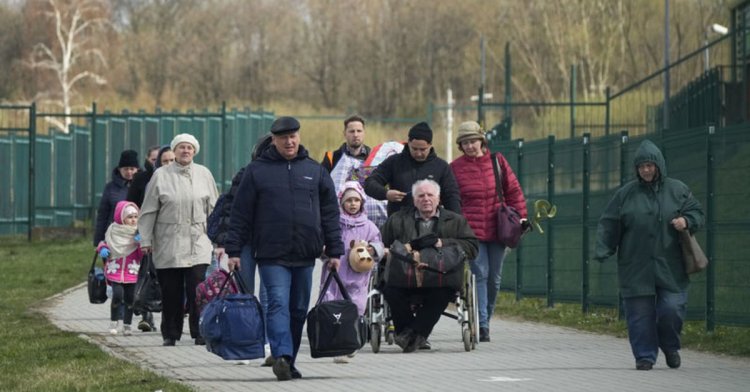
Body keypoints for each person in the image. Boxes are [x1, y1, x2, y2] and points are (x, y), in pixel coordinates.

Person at [225, 116, 343, 381]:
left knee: (299, 308)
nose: (289, 142)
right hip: (271, 253)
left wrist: (334, 251)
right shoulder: (257, 171)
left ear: (299, 137)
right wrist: (233, 250)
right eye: (283, 138)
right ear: (274, 140)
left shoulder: (315, 170)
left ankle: (289, 360)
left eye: (293, 136)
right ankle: (281, 355)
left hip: (305, 253)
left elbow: (330, 214)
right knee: (277, 303)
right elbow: (240, 213)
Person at [595, 139, 704, 371]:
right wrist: (604, 248)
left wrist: (686, 220)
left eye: (650, 166)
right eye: (642, 166)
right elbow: (609, 223)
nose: (646, 170)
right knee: (639, 314)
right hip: (635, 266)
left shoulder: (678, 190)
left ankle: (670, 345)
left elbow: (697, 212)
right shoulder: (625, 194)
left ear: (659, 166)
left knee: (672, 309)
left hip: (671, 264)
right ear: (636, 169)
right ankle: (645, 356)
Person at [449, 121, 529, 343]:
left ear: (482, 141)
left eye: (473, 141)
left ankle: (486, 318)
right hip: (471, 232)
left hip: (498, 229)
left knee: (494, 278)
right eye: (465, 143)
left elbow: (513, 191)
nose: (470, 146)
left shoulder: (497, 161)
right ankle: (482, 324)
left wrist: (521, 218)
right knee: (480, 274)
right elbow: (452, 199)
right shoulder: (455, 168)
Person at [138, 133, 219, 347]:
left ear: (195, 151)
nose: (185, 151)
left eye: (189, 148)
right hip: (168, 242)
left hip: (198, 241)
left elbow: (215, 209)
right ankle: (171, 333)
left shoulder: (204, 174)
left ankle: (199, 331)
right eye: (181, 147)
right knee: (171, 290)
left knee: (198, 289)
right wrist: (145, 239)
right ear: (174, 151)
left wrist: (220, 239)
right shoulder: (160, 176)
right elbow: (148, 211)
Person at [381, 179, 478, 353]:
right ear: (414, 199)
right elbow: (382, 245)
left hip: (440, 277)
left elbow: (472, 247)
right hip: (405, 277)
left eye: (430, 195)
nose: (426, 199)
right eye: (421, 195)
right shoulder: (397, 220)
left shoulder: (455, 221)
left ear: (438, 198)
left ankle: (410, 335)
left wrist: (444, 242)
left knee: (444, 291)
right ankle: (412, 335)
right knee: (390, 289)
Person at [211, 133, 273, 365]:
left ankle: (266, 341)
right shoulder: (246, 174)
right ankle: (245, 343)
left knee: (269, 296)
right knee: (244, 296)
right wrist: (226, 245)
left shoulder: (283, 175)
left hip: (270, 244)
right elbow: (231, 211)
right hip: (246, 242)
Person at [318, 180, 384, 364]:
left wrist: (372, 250)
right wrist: (324, 251)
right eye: (349, 200)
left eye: (356, 200)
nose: (353, 204)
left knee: (355, 310)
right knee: (333, 309)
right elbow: (323, 243)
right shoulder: (334, 223)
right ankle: (337, 346)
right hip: (334, 275)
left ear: (362, 202)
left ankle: (350, 342)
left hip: (358, 278)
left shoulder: (369, 226)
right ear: (341, 202)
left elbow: (379, 244)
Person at [365, 122, 462, 216]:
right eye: (414, 149)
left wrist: (455, 224)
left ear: (430, 145)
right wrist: (386, 194)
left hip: (431, 226)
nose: (418, 153)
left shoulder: (441, 166)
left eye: (423, 150)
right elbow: (370, 183)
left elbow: (452, 197)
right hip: (399, 225)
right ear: (408, 143)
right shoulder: (394, 162)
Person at [125, 144, 161, 332]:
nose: (157, 162)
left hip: (164, 234)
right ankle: (146, 314)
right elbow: (131, 203)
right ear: (148, 160)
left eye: (160, 159)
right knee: (146, 272)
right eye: (153, 159)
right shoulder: (141, 178)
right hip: (143, 232)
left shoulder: (170, 178)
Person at [95, 201, 143, 336]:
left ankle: (127, 325)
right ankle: (114, 321)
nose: (133, 220)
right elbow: (103, 243)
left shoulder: (137, 234)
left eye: (135, 216)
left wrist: (140, 243)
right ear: (121, 217)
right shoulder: (113, 231)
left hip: (131, 272)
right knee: (117, 295)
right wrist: (102, 249)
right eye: (130, 217)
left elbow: (141, 256)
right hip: (115, 270)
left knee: (129, 299)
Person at [93, 150, 139, 247]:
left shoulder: (143, 186)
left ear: (137, 169)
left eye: (132, 169)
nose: (129, 172)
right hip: (114, 236)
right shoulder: (110, 187)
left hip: (136, 236)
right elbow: (103, 214)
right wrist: (99, 241)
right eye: (125, 169)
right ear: (119, 169)